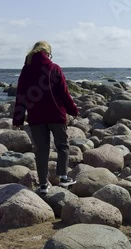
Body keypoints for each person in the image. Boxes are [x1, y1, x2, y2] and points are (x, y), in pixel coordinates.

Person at [13, 41, 79, 194]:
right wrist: (73, 110)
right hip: (56, 114)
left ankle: (43, 185)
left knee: (41, 151)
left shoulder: (26, 69)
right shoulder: (54, 68)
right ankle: (63, 176)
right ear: (48, 53)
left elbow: (21, 95)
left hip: (36, 117)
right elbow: (64, 93)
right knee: (62, 145)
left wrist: (18, 118)